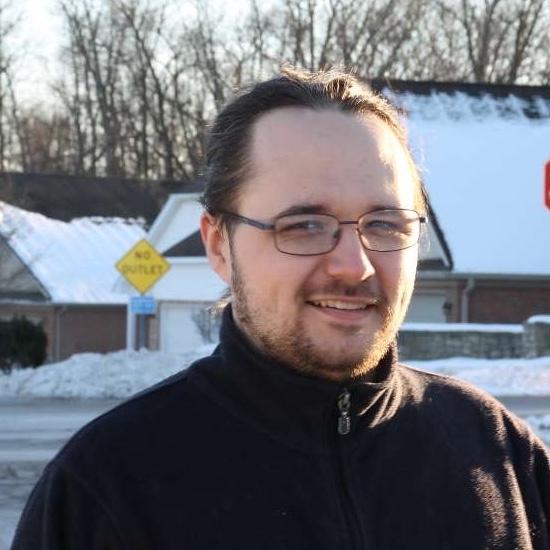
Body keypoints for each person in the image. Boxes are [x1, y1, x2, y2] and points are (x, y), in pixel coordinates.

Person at [12, 67, 550, 549]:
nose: (354, 265)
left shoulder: (498, 453)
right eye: (304, 225)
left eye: (385, 224)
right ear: (219, 245)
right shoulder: (106, 488)